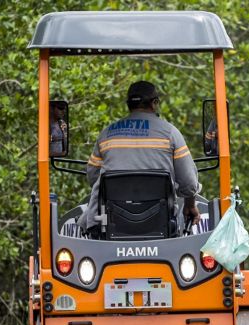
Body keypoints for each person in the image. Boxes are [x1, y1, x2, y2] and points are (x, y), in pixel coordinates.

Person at [79, 81, 200, 236]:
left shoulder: (106, 135)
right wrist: (190, 205)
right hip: (161, 227)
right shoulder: (170, 133)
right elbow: (189, 183)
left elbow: (93, 176)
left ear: (128, 105)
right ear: (155, 103)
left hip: (110, 227)